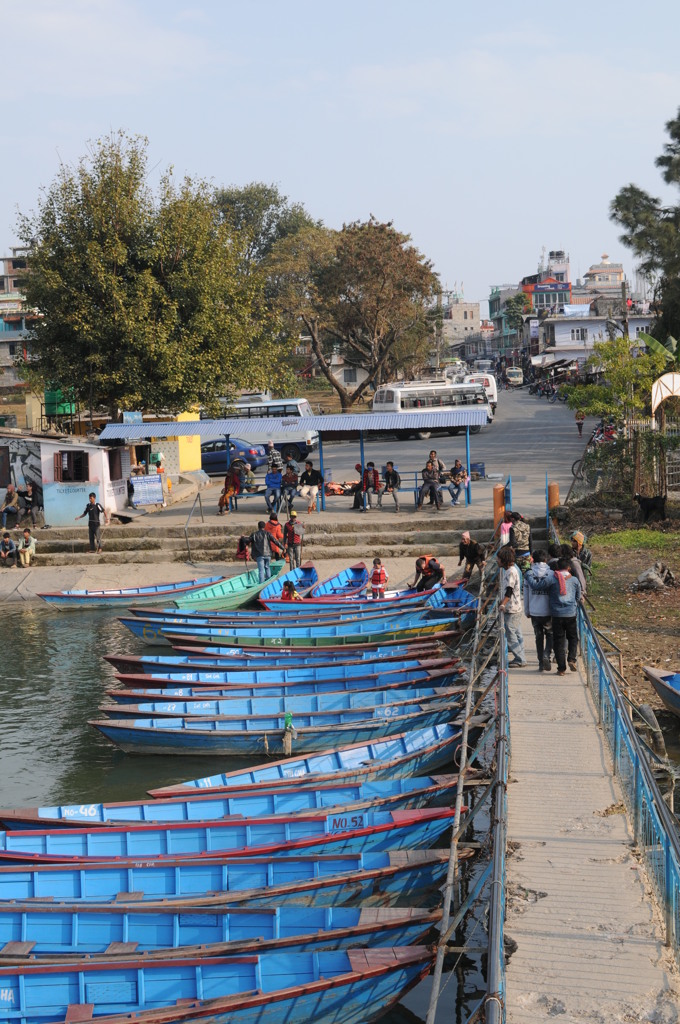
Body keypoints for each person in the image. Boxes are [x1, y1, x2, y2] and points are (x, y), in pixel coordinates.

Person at [546, 557, 583, 675]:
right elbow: (578, 597)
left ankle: (561, 668)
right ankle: (572, 659)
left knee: (558, 641)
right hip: (571, 614)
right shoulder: (575, 580)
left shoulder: (552, 579)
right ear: (569, 568)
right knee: (573, 638)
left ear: (557, 568)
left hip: (557, 614)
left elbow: (548, 592)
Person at [523, 549, 553, 672]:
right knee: (550, 635)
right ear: (546, 560)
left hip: (534, 611)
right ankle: (547, 654)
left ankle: (541, 662)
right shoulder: (551, 573)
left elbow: (525, 594)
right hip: (548, 611)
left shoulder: (529, 574)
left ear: (533, 560)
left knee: (538, 637)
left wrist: (527, 610)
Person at [497, 545, 527, 667]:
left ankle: (520, 658)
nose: (497, 561)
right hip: (517, 607)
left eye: (498, 559)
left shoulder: (510, 572)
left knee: (510, 634)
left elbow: (509, 590)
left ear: (504, 560)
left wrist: (502, 604)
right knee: (517, 633)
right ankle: (522, 656)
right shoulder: (512, 569)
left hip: (512, 608)